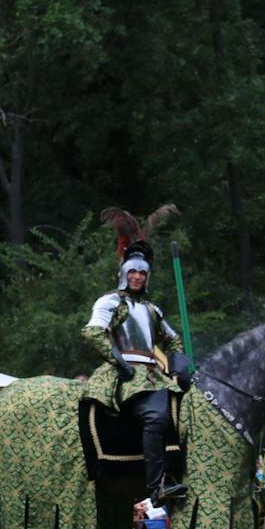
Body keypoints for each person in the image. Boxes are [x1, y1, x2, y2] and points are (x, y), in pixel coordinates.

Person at [83, 207, 192, 507]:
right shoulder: (111, 302)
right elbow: (93, 332)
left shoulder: (152, 309)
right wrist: (118, 360)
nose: (137, 277)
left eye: (142, 273)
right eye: (132, 271)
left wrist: (178, 364)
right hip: (124, 374)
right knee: (155, 416)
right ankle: (156, 486)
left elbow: (172, 339)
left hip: (154, 372)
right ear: (123, 272)